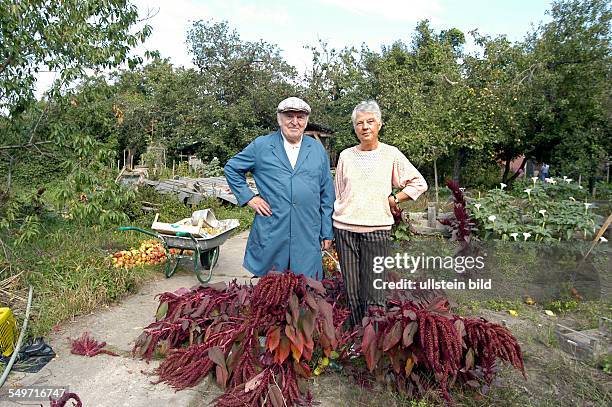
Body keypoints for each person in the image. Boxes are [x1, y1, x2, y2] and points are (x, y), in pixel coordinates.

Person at [333, 100, 428, 326]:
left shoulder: (391, 154)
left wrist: (395, 198)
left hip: (377, 229)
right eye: (359, 123)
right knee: (353, 288)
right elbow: (339, 193)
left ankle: (373, 337)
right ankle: (356, 337)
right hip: (344, 229)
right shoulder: (346, 155)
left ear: (379, 124)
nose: (365, 127)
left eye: (370, 122)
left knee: (374, 287)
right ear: (354, 127)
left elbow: (419, 183)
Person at [224, 97, 335, 280]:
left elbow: (326, 194)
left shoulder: (316, 150)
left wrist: (326, 231)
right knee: (272, 289)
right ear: (279, 119)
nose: (294, 121)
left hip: (307, 230)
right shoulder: (262, 146)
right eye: (289, 116)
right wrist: (249, 198)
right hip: (273, 229)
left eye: (300, 117)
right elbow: (232, 168)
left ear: (306, 121)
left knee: (307, 288)